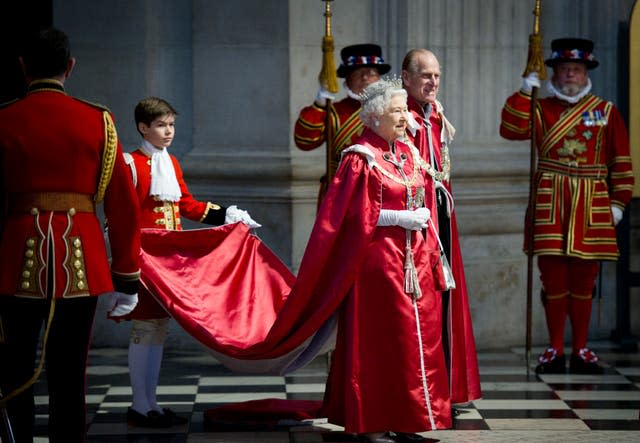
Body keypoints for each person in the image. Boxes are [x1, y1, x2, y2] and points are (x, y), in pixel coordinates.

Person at [0, 27, 141, 443]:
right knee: (68, 372)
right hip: (80, 257)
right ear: (70, 66)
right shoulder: (100, 120)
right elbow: (123, 204)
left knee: (14, 367)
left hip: (14, 256)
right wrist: (126, 274)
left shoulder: (4, 118)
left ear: (23, 66)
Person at [318, 77, 452, 442]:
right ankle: (372, 420)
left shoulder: (408, 152)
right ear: (375, 116)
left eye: (404, 109)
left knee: (414, 339)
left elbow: (422, 190)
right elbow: (348, 216)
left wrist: (422, 217)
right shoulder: (360, 158)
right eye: (396, 110)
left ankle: (409, 418)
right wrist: (395, 218)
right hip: (378, 263)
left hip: (415, 261)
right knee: (380, 341)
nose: (404, 116)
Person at [121, 96, 261, 428]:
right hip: (142, 261)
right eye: (160, 125)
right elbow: (122, 217)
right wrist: (124, 263)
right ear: (143, 127)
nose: (168, 131)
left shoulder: (170, 162)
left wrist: (226, 214)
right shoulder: (130, 164)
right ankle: (140, 405)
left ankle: (150, 403)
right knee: (144, 329)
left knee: (157, 329)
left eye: (171, 125)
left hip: (167, 263)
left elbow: (187, 205)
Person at [499, 38, 634, 374]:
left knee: (585, 280)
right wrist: (522, 92)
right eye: (563, 69)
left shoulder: (605, 112)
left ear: (586, 71)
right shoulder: (540, 107)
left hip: (591, 204)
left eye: (576, 68)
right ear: (554, 74)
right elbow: (510, 129)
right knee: (554, 279)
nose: (570, 74)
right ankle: (555, 348)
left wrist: (618, 204)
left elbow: (622, 162)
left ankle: (583, 349)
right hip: (551, 201)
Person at [401, 49, 481, 406]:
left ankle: (446, 389)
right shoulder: (399, 116)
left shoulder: (436, 115)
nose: (432, 82)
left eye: (436, 75)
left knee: (447, 301)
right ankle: (423, 395)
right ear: (406, 78)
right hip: (415, 221)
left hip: (442, 215)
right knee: (425, 306)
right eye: (425, 75)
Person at [294, 43, 391, 205]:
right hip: (342, 196)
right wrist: (319, 103)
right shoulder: (334, 111)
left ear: (379, 78)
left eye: (370, 72)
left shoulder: (395, 109)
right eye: (358, 73)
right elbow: (304, 141)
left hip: (384, 192)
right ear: (347, 79)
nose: (365, 78)